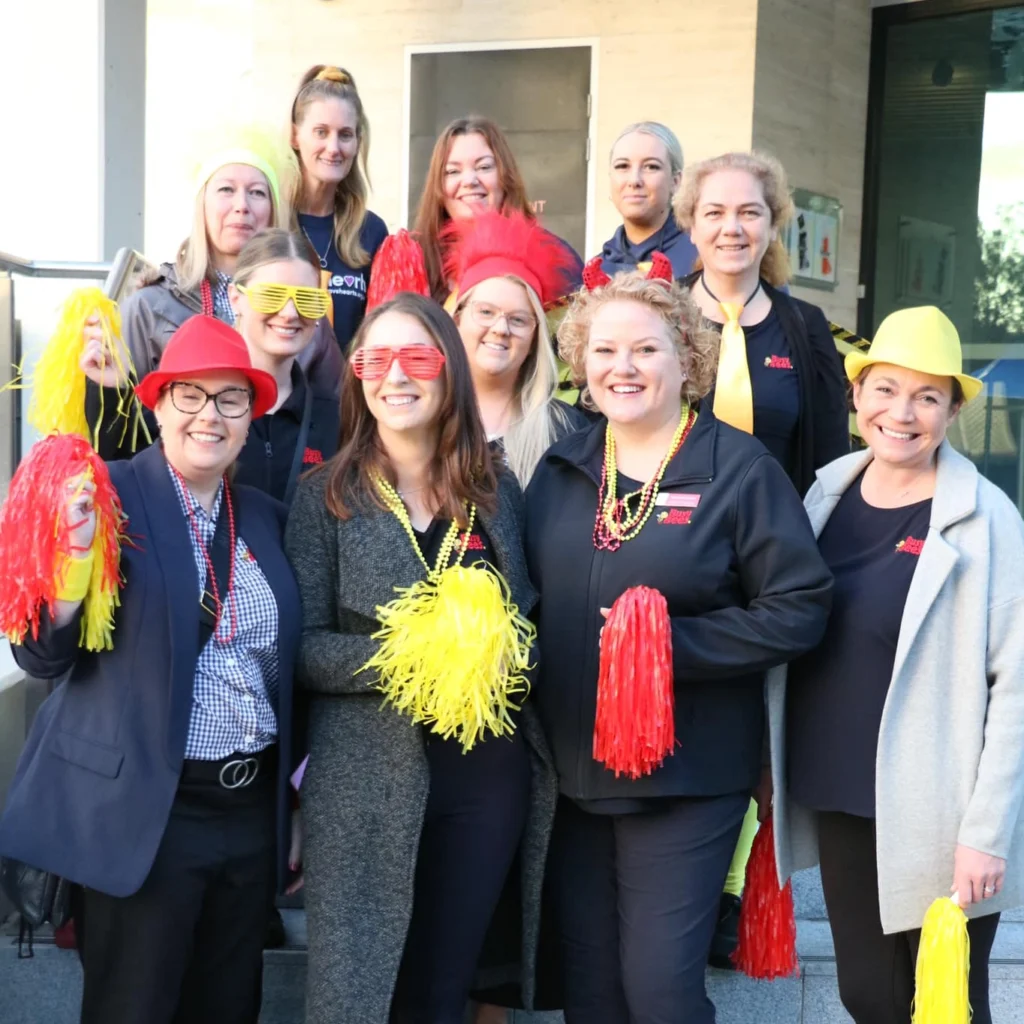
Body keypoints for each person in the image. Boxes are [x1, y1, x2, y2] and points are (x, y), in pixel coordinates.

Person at [524, 267, 832, 1023]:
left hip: (688, 777)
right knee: (591, 998)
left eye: (645, 350)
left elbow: (800, 607)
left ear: (686, 359)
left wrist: (668, 648)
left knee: (661, 992)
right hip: (569, 778)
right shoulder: (560, 472)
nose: (622, 368)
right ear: (580, 363)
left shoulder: (740, 469)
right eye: (604, 351)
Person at [0, 316, 301, 1024]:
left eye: (230, 399)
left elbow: (292, 667)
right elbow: (41, 653)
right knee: (132, 1009)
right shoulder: (106, 494)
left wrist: (296, 799)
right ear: (157, 404)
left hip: (249, 809)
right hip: (146, 810)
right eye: (189, 396)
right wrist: (70, 569)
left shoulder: (265, 517)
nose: (209, 415)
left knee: (228, 1009)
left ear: (250, 415)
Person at [284, 292, 557, 1024]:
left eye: (417, 357)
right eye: (374, 359)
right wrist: (417, 654)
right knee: (357, 995)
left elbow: (532, 632)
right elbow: (302, 651)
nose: (394, 376)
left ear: (449, 373)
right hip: (365, 783)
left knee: (441, 991)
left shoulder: (498, 490)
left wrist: (503, 656)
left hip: (485, 780)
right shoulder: (324, 496)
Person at [769, 306, 1024, 1024]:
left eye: (927, 396)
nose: (902, 413)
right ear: (857, 397)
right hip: (847, 795)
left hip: (942, 809)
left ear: (951, 412)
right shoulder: (825, 494)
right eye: (886, 389)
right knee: (870, 997)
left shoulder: (986, 516)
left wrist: (986, 832)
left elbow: (1017, 689)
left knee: (945, 1003)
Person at [671, 149, 849, 962]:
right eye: (715, 213)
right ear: (691, 223)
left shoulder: (804, 327)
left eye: (748, 212)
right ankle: (690, 895)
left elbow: (826, 455)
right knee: (693, 728)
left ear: (772, 222)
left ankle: (743, 900)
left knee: (762, 741)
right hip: (680, 560)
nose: (731, 227)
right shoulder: (662, 317)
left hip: (772, 566)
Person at [80, 134, 342, 411]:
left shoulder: (302, 311)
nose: (242, 205)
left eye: (257, 192)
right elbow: (121, 427)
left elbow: (336, 418)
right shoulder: (149, 307)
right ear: (202, 206)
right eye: (226, 190)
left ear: (273, 210)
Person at [89, 230, 341, 498]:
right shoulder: (187, 399)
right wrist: (106, 389)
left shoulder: (333, 419)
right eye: (271, 296)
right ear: (235, 298)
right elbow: (118, 473)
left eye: (307, 300)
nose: (290, 313)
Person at [446, 209, 589, 487]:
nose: (501, 328)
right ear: (458, 318)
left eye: (518, 319)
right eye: (486, 312)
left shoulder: (566, 431)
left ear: (535, 336)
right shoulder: (424, 419)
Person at [412, 116, 583, 305]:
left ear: (505, 177)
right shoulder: (414, 258)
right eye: (453, 171)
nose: (469, 180)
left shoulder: (553, 258)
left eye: (484, 167)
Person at [289, 65, 389, 351]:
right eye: (321, 132)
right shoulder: (270, 220)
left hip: (346, 393)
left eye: (345, 135)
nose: (333, 147)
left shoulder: (371, 232)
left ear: (357, 142)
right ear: (295, 136)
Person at [597, 121, 697, 278]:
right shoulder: (598, 269)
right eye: (622, 166)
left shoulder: (701, 256)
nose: (634, 180)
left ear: (675, 181)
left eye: (651, 167)